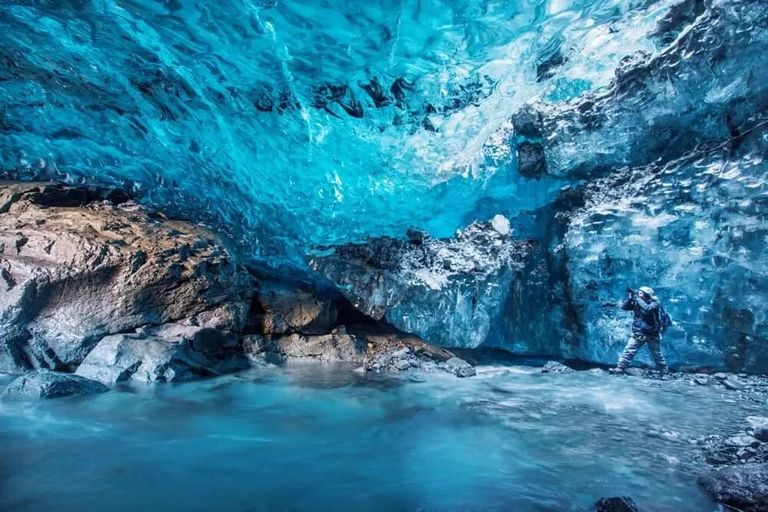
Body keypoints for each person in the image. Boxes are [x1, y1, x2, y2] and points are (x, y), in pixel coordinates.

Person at [610, 286, 669, 374]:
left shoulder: (655, 303)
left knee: (657, 355)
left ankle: (664, 371)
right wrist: (630, 298)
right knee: (628, 351)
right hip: (639, 333)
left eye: (641, 293)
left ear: (647, 295)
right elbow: (624, 307)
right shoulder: (637, 302)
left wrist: (636, 298)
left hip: (652, 334)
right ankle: (620, 368)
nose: (638, 294)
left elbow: (647, 309)